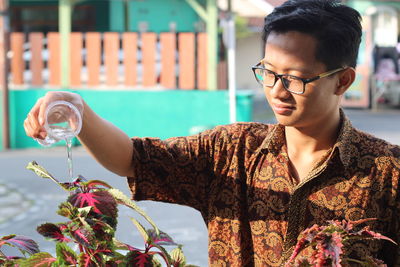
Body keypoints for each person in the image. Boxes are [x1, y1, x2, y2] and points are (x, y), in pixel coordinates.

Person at [24, 0, 400, 265]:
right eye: (269, 72)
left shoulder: (388, 173)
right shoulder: (230, 150)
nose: (277, 90)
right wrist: (78, 108)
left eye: (297, 79)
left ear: (343, 80)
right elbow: (133, 159)